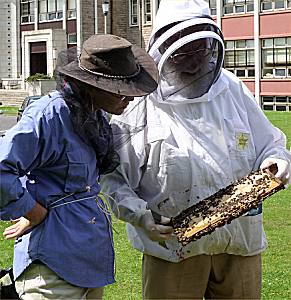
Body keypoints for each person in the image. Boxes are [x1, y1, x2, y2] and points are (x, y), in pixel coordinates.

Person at [101, 1, 291, 299]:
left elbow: (271, 143)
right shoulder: (138, 102)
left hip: (238, 241)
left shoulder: (232, 88)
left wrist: (276, 161)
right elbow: (113, 176)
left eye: (200, 49)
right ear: (163, 50)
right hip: (173, 248)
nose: (193, 62)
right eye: (183, 53)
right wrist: (140, 216)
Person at [0, 34, 158, 299]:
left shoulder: (94, 117)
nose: (129, 97)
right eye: (121, 89)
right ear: (92, 84)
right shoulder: (50, 114)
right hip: (52, 268)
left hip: (88, 260)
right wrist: (33, 212)